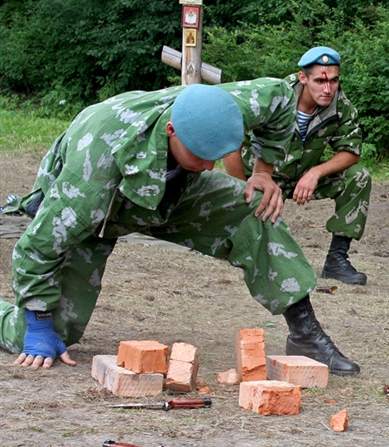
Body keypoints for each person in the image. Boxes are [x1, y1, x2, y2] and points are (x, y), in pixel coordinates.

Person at [0, 81, 359, 376]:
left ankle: (306, 334)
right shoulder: (91, 178)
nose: (208, 165)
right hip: (110, 198)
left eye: (216, 156)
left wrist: (262, 170)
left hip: (172, 190)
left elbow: (282, 100)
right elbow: (37, 248)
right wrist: (40, 322)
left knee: (256, 208)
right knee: (47, 336)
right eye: (201, 155)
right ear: (171, 130)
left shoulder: (225, 106)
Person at [224, 46, 371, 285]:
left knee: (359, 176)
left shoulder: (339, 103)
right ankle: (234, 238)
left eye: (334, 81)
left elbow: (351, 151)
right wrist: (242, 190)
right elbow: (230, 134)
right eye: (320, 81)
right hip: (261, 174)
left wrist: (316, 172)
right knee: (241, 213)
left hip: (303, 176)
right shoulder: (274, 96)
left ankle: (337, 260)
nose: (328, 89)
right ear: (303, 78)